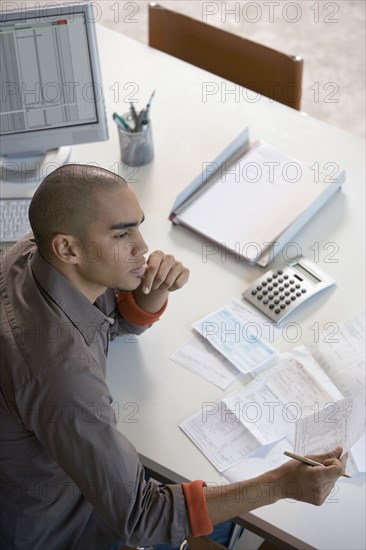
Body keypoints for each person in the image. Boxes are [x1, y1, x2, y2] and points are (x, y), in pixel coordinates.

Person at [0, 164, 347, 550]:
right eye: (122, 234)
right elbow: (142, 517)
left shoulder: (33, 253)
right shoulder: (61, 375)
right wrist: (281, 483)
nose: (143, 247)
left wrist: (146, 297)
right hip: (66, 527)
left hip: (67, 478)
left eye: (137, 227)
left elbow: (98, 319)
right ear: (67, 247)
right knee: (261, 527)